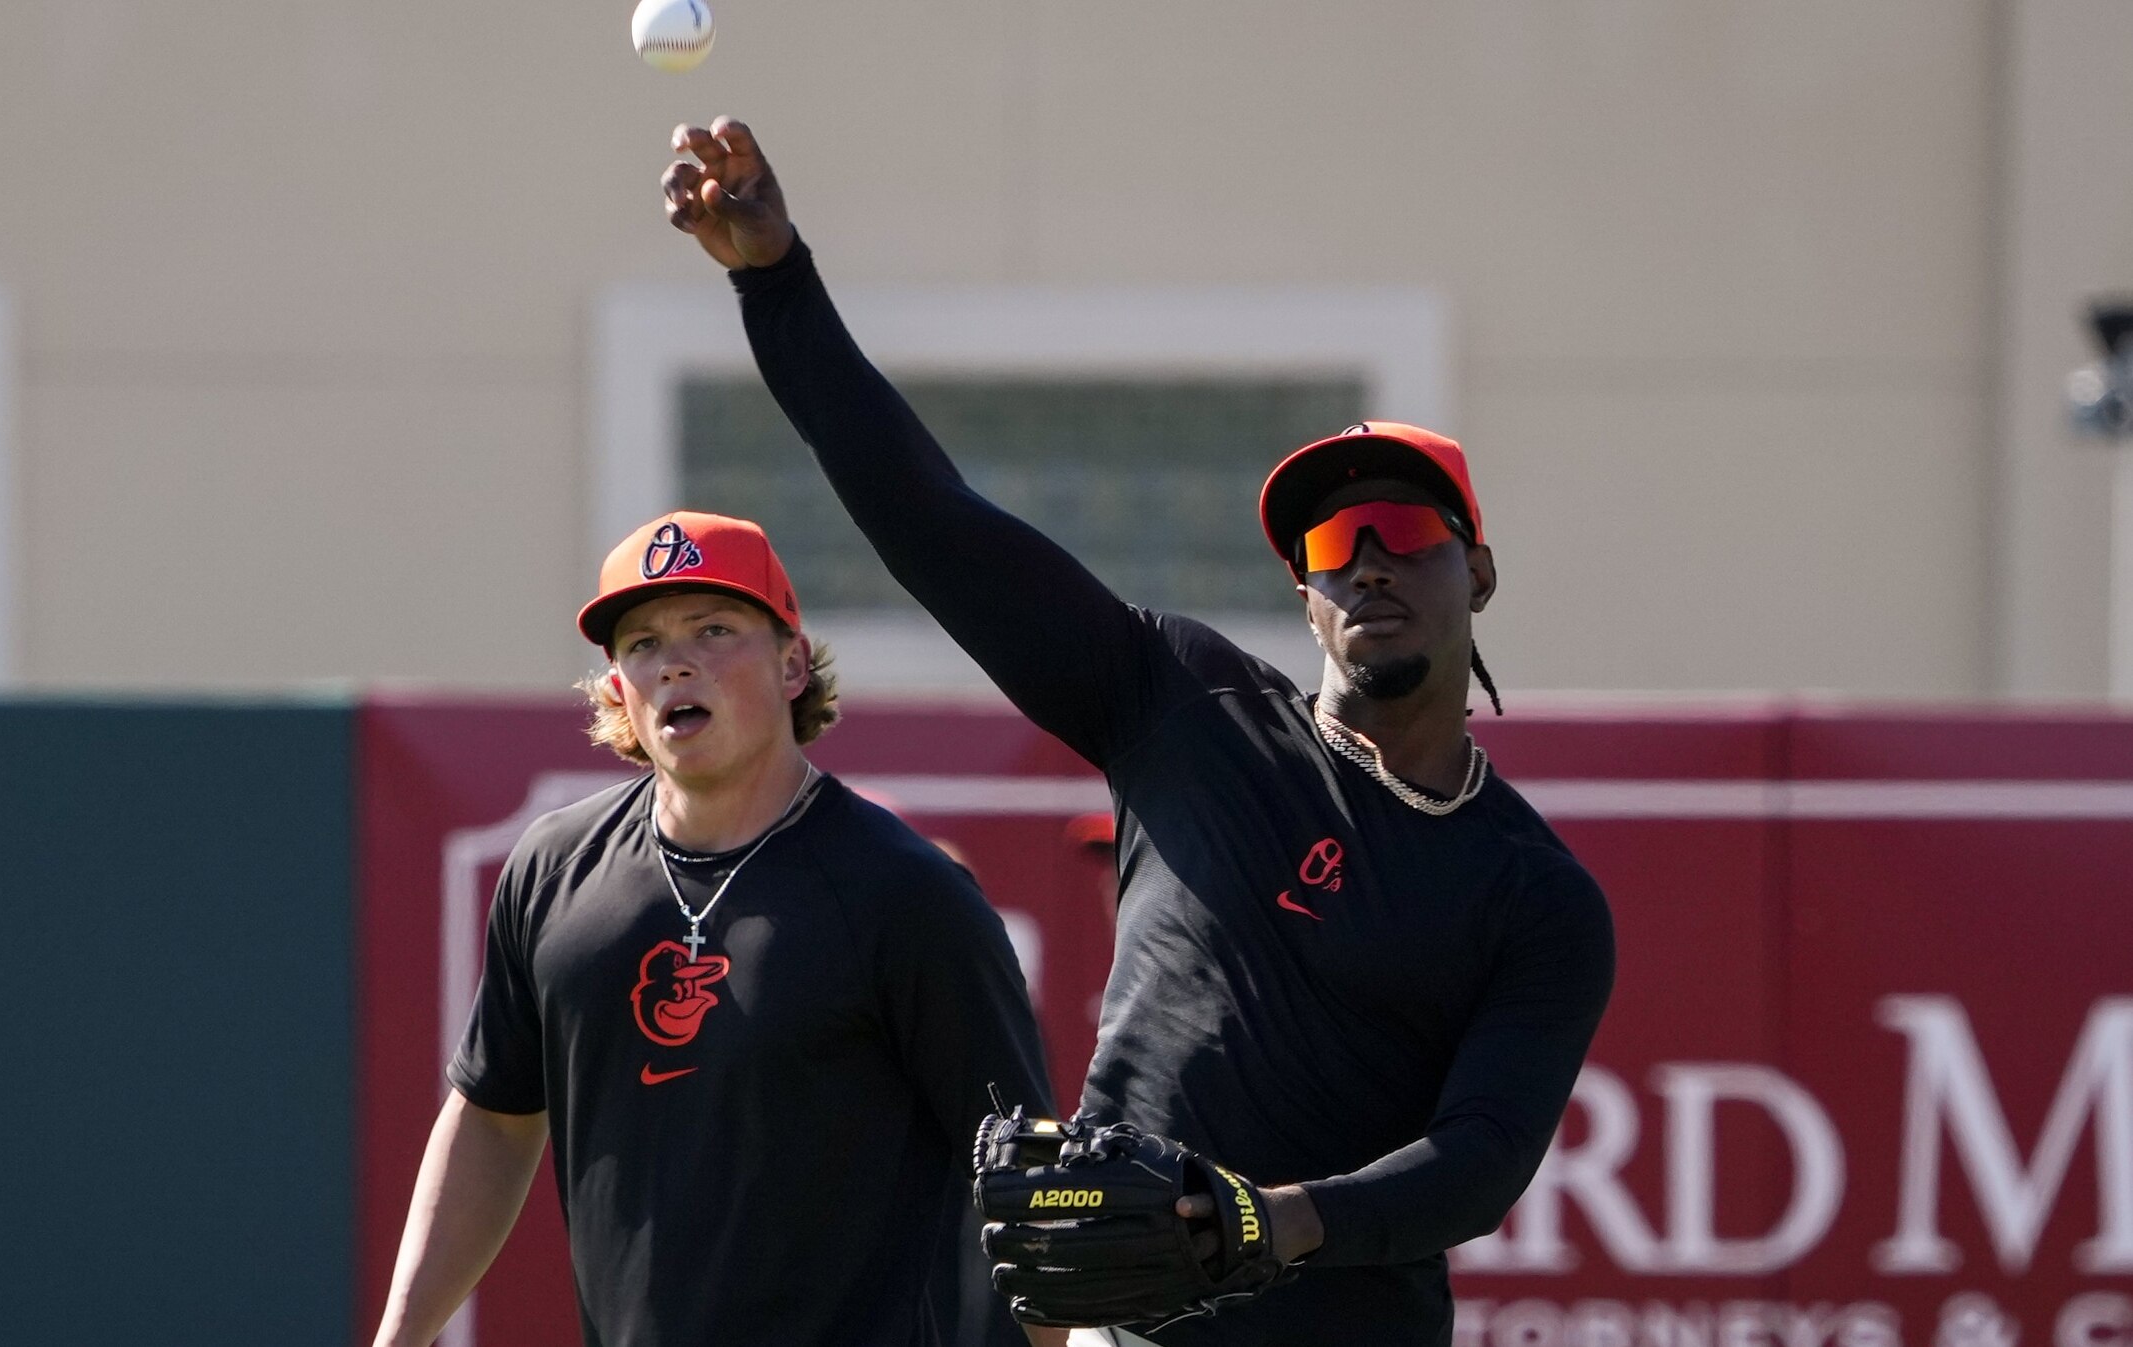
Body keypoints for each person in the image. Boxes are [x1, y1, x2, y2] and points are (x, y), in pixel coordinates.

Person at [659, 120, 1616, 1346]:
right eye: (1330, 547)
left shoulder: (1534, 893)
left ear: (1476, 569)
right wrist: (774, 279)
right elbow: (931, 520)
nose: (1366, 562)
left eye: (1400, 529)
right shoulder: (1183, 707)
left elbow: (1481, 1159)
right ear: (1303, 595)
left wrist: (1264, 1223)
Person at [371, 510, 1057, 1347]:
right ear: (618, 683)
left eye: (715, 628)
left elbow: (1028, 1176)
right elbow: (494, 1116)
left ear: (793, 662)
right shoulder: (553, 871)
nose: (676, 662)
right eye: (643, 642)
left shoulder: (907, 892)